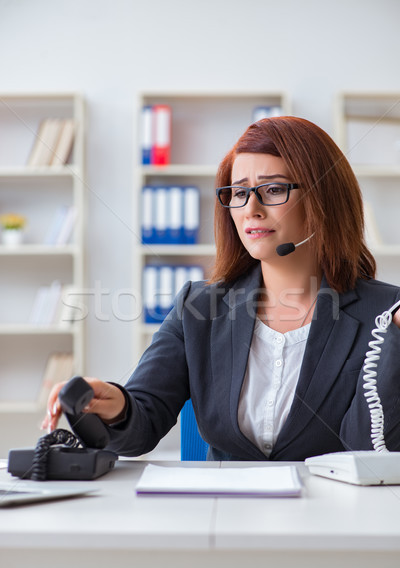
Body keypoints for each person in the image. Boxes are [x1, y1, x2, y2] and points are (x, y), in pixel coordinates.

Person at [42, 116, 400, 461]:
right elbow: (143, 422)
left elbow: (370, 451)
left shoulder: (387, 314)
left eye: (273, 189)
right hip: (223, 513)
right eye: (239, 192)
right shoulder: (198, 308)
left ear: (324, 199)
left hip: (337, 516)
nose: (251, 209)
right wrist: (116, 406)